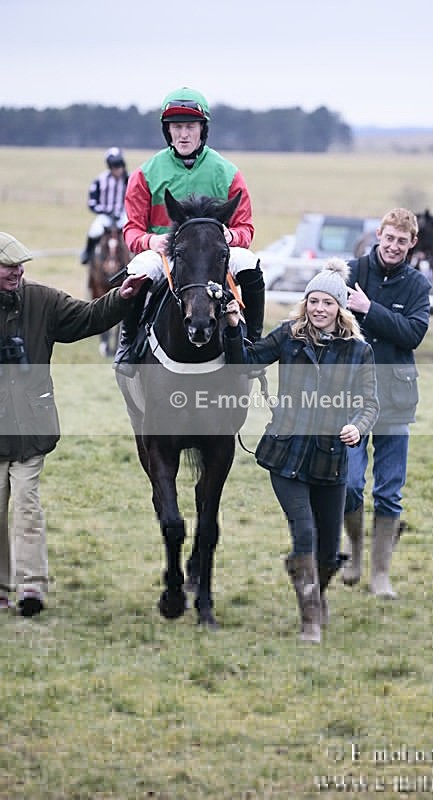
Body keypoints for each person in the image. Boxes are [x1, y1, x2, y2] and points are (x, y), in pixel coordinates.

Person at [224, 259, 379, 643]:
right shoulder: (289, 337)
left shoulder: (359, 351)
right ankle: (310, 618)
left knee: (329, 550)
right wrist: (232, 328)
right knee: (304, 534)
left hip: (331, 458)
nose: (319, 309)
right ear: (305, 303)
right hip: (287, 454)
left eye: (327, 303)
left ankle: (316, 591)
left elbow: (370, 404)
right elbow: (244, 361)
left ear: (340, 307)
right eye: (313, 301)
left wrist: (356, 428)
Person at [0, 232, 148, 616]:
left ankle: (31, 587)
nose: (17, 272)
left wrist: (122, 297)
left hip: (31, 428)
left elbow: (86, 317)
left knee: (27, 506)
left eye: (19, 266)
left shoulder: (42, 300)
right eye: (8, 266)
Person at [120, 86, 265, 365]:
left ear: (202, 129)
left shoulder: (227, 172)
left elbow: (246, 228)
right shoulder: (145, 174)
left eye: (190, 126)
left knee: (249, 262)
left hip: (213, 253)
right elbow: (132, 230)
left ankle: (254, 341)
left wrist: (230, 234)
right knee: (138, 270)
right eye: (176, 127)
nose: (183, 134)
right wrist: (150, 241)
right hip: (166, 253)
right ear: (168, 131)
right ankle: (128, 343)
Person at [341, 208, 431, 599]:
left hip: (395, 397)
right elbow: (322, 317)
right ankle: (355, 553)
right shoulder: (350, 272)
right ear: (378, 234)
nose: (394, 246)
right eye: (389, 238)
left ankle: (380, 574)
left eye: (402, 241)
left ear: (412, 244)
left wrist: (368, 310)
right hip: (350, 397)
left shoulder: (417, 286)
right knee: (348, 483)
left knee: (389, 491)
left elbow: (412, 334)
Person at [80, 147, 129, 265]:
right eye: (115, 166)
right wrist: (105, 211)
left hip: (123, 215)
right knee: (93, 232)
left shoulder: (129, 179)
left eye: (119, 166)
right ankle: (88, 254)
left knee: (132, 232)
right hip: (105, 216)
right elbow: (92, 203)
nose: (118, 169)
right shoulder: (100, 180)